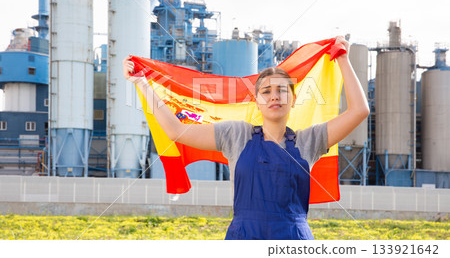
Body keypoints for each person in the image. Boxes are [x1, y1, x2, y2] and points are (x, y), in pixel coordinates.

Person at [122, 36, 369, 240]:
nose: (275, 96)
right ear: (257, 102)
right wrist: (141, 82)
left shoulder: (310, 141)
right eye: (266, 91)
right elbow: (177, 131)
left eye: (282, 91)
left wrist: (343, 60)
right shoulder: (236, 135)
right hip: (243, 238)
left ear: (293, 101)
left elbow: (360, 111)